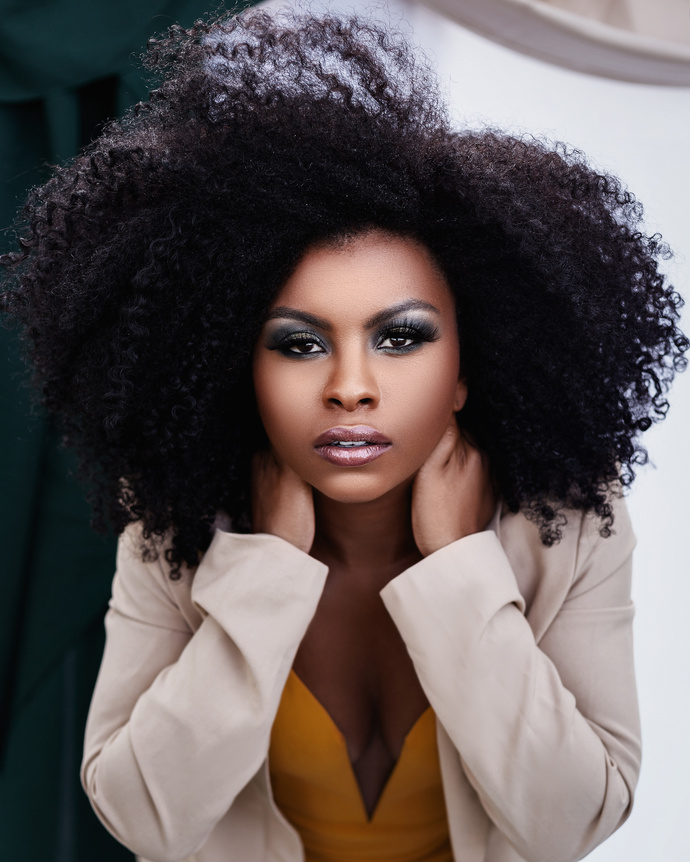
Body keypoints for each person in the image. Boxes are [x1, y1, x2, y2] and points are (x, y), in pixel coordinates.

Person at [1, 8, 687, 862]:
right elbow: (144, 818)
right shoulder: (177, 517)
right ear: (237, 367)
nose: (350, 386)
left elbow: (570, 825)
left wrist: (458, 572)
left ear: (470, 366)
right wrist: (266, 574)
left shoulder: (568, 519)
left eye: (401, 338)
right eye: (299, 343)